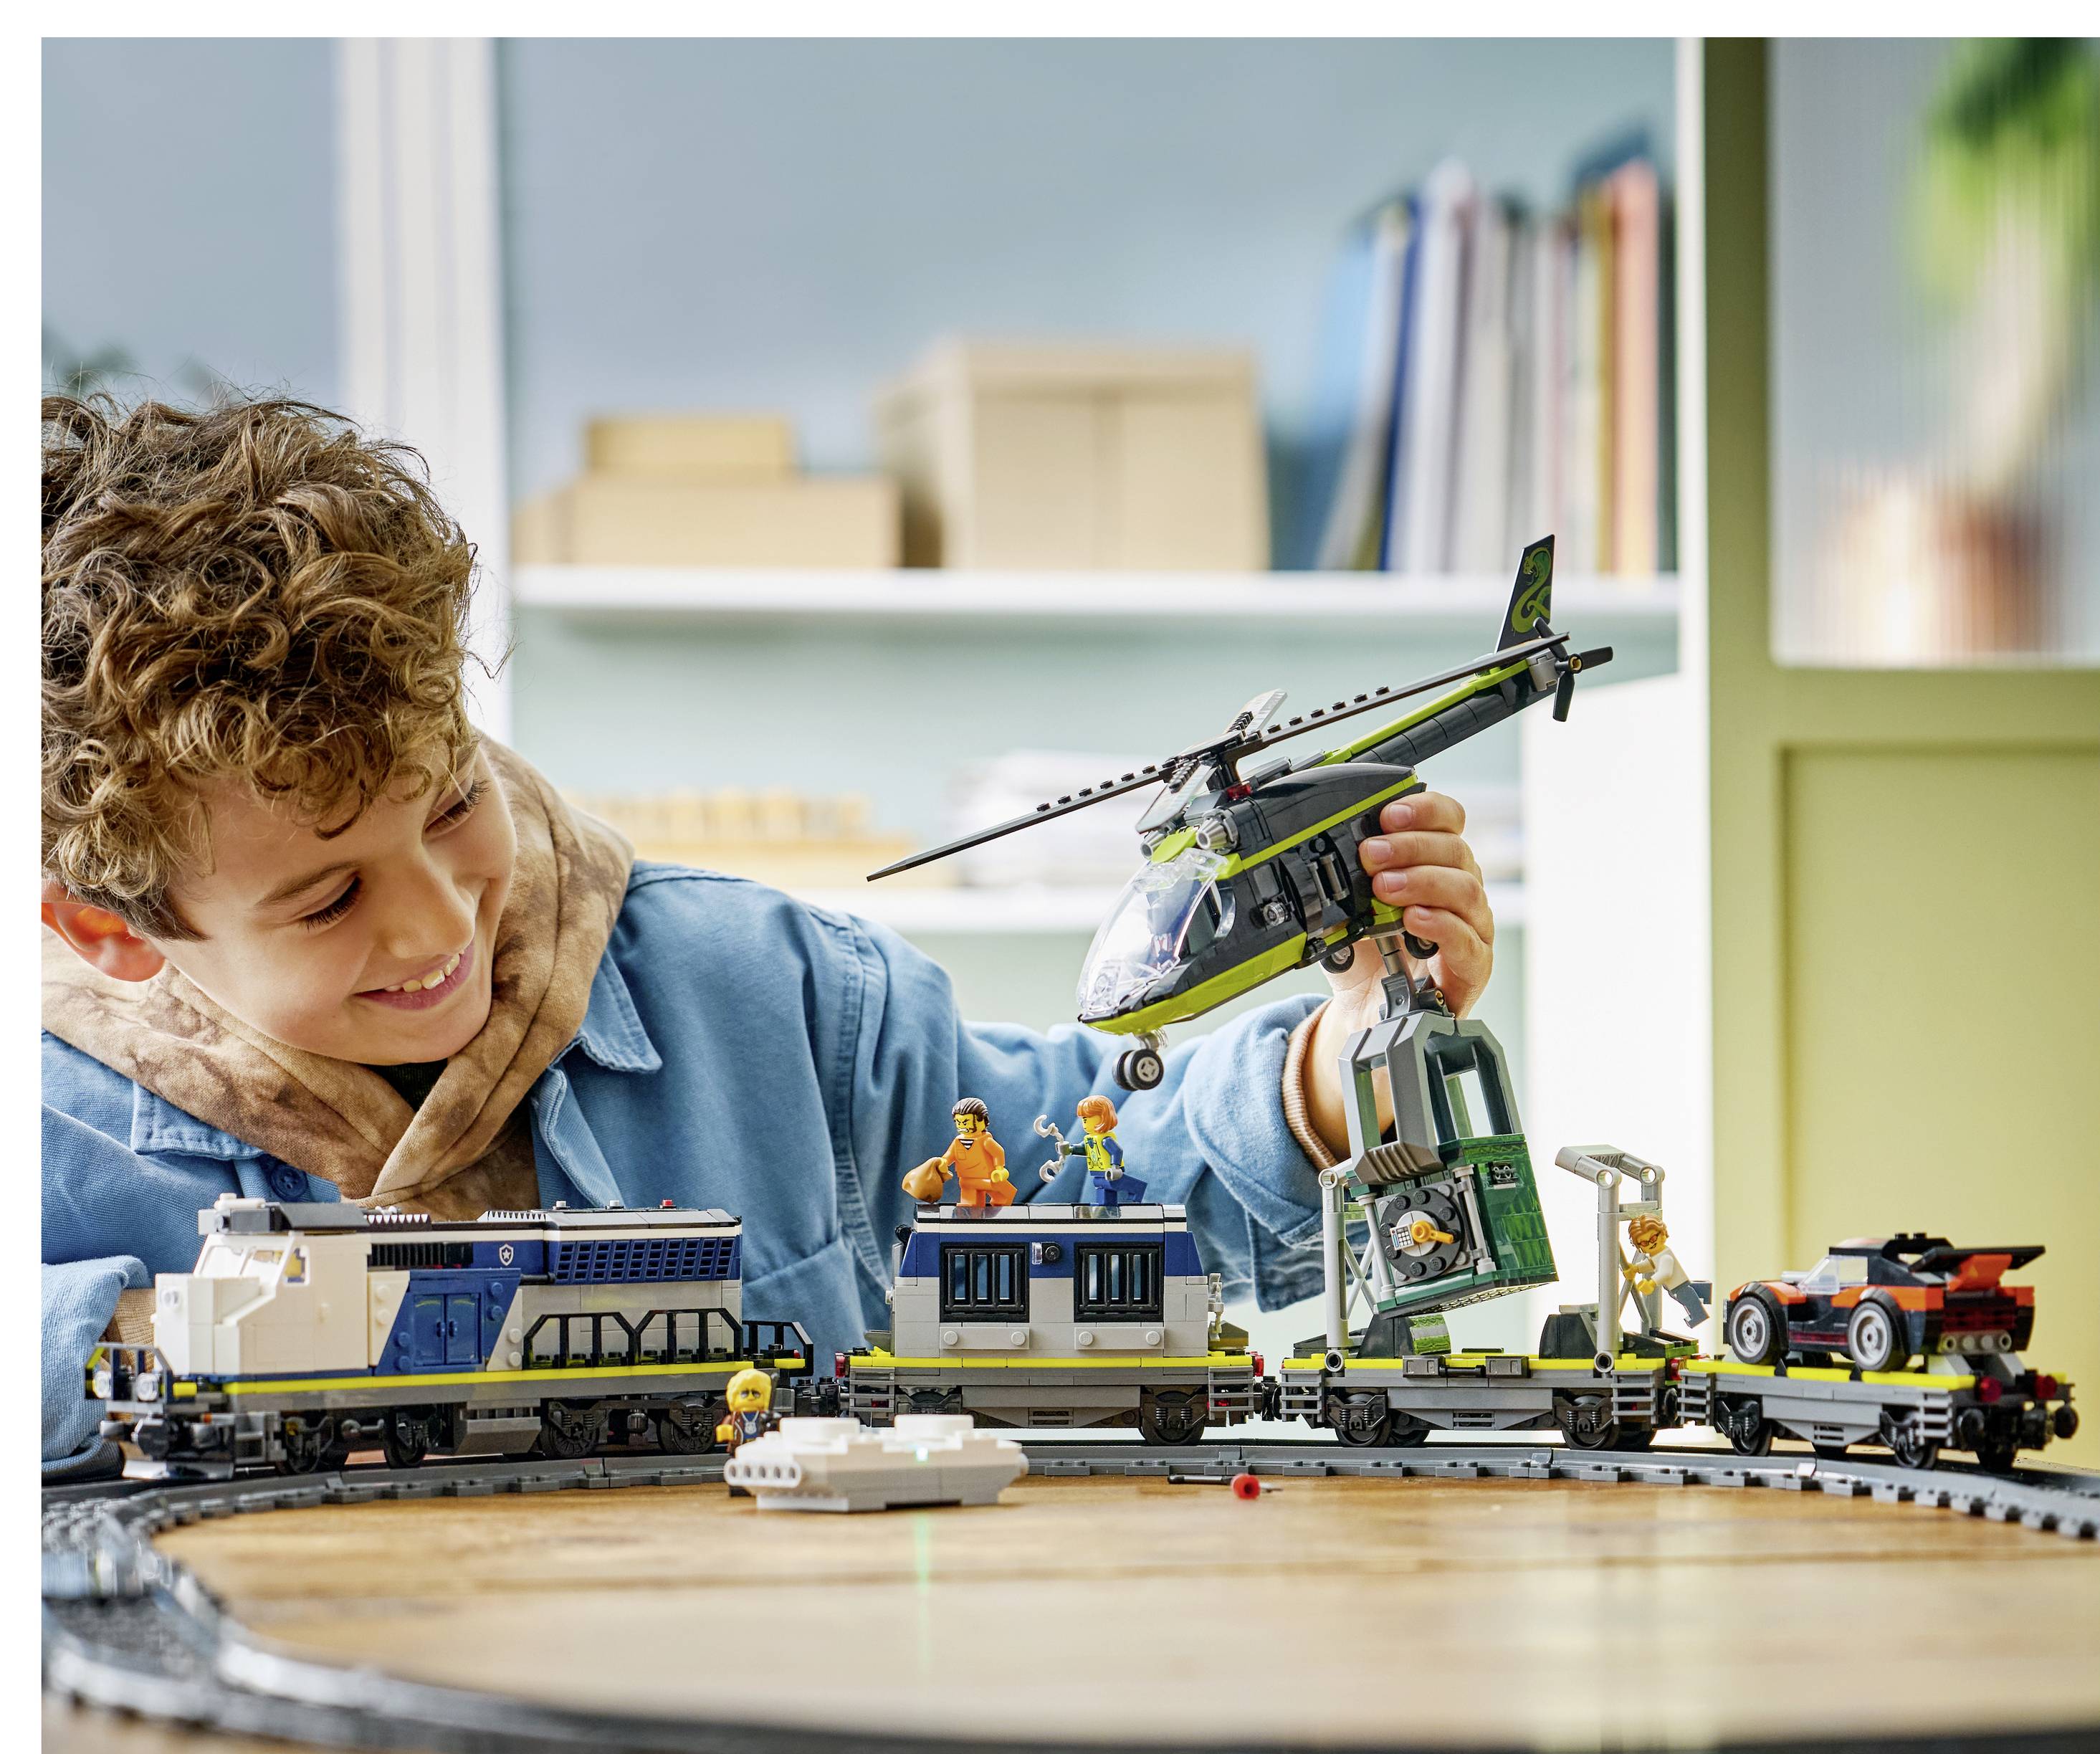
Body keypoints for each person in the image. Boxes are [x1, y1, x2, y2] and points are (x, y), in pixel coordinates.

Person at [38, 393, 1499, 1469]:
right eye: (328, 893)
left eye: (452, 802)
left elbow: (1084, 1184)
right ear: (108, 932)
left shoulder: (778, 995)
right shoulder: (49, 1114)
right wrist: (144, 1338)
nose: (438, 920)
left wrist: (1334, 1065)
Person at [901, 1097, 1017, 1210]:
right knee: (970, 1208)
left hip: (989, 1179)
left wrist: (999, 1169)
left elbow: (998, 1152)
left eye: (966, 1122)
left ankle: (998, 1218)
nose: (962, 1126)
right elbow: (949, 1156)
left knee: (1005, 1197)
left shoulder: (986, 1141)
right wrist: (943, 1163)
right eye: (959, 1122)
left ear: (982, 1120)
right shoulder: (958, 1142)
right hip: (967, 1182)